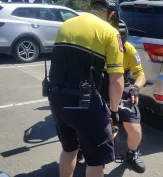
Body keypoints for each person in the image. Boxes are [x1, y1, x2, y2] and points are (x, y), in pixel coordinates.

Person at [47, 0, 125, 176]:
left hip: (56, 99)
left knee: (69, 149)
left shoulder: (67, 24)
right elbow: (117, 79)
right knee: (96, 160)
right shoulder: (110, 32)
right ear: (111, 14)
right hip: (84, 103)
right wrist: (114, 111)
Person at [77, 20, 147, 173]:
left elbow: (141, 75)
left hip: (122, 89)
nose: (117, 46)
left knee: (135, 129)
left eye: (121, 41)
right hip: (98, 89)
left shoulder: (129, 50)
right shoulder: (96, 48)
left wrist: (136, 87)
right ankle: (82, 148)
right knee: (85, 125)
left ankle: (132, 153)